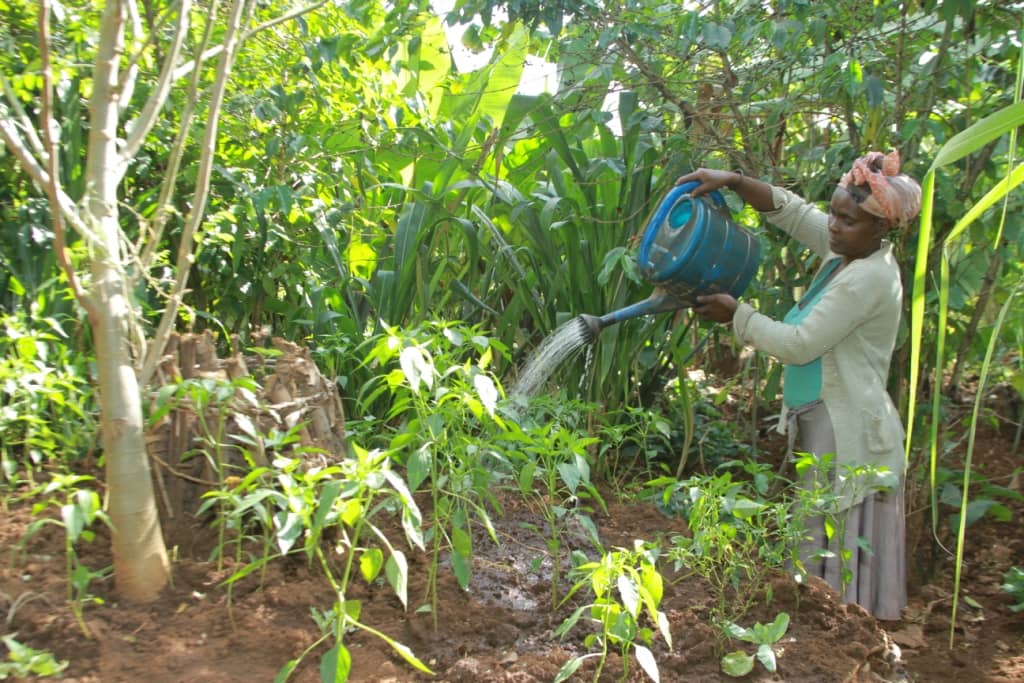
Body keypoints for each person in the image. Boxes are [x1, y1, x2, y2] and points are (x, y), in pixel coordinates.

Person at [674, 151, 922, 621]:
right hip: (828, 418)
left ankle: (845, 635)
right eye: (834, 212)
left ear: (880, 229)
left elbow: (799, 344)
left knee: (837, 531)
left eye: (846, 221)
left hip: (849, 430)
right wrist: (734, 181)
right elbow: (794, 212)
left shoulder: (866, 279)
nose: (833, 225)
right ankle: (827, 629)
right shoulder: (849, 251)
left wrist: (738, 315)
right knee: (820, 523)